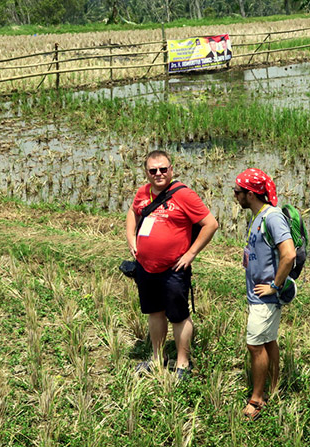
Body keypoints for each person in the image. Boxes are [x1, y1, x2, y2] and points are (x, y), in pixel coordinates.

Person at [126, 150, 219, 378]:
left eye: (163, 169)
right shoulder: (143, 192)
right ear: (146, 173)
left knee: (178, 316)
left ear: (171, 170)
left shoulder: (184, 195)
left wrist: (190, 254)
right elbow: (132, 212)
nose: (158, 173)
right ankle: (158, 358)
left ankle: (182, 363)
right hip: (145, 267)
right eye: (153, 170)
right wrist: (131, 239)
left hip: (173, 269)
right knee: (154, 312)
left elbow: (210, 224)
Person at [234, 168, 296, 420]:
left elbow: (289, 254)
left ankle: (257, 400)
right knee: (268, 341)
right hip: (258, 294)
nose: (234, 196)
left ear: (250, 194)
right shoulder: (258, 214)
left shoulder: (272, 217)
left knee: (254, 344)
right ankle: (274, 387)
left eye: (237, 191)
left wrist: (275, 285)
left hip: (266, 297)